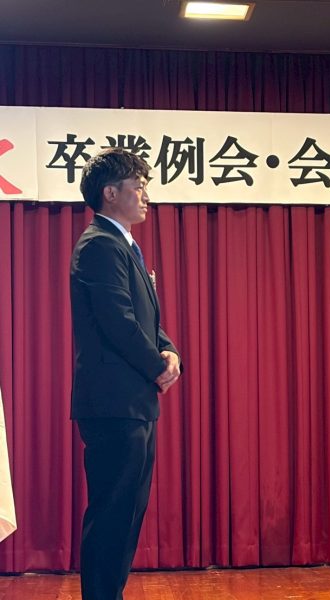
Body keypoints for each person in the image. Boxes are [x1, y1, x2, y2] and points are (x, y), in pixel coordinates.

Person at [70, 148, 181, 600]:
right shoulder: (99, 244)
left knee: (127, 516)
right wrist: (158, 368)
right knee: (112, 515)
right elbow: (117, 321)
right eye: (138, 186)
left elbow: (146, 320)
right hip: (113, 404)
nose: (146, 195)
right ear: (110, 193)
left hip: (134, 403)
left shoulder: (124, 245)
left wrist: (169, 350)